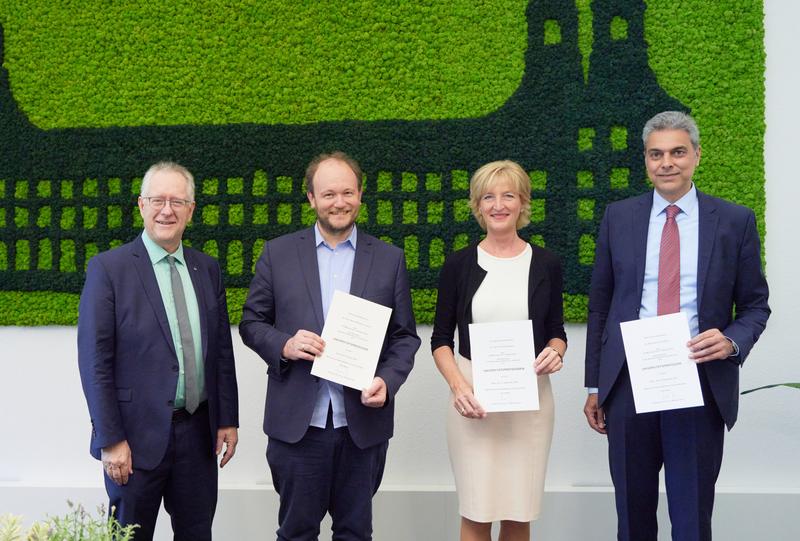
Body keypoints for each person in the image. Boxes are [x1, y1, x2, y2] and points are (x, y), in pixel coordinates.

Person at [583, 111, 771, 541]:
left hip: (698, 382)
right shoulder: (618, 217)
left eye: (677, 152)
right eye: (656, 154)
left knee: (690, 519)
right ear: (646, 161)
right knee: (632, 517)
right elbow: (600, 305)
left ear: (697, 156)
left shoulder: (734, 221)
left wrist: (730, 341)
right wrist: (594, 385)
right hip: (629, 382)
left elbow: (756, 305)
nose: (666, 162)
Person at [239, 151, 420, 541]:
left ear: (360, 195)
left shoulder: (389, 259)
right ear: (311, 199)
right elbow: (251, 323)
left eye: (347, 192)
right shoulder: (278, 254)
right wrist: (284, 344)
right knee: (296, 533)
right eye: (328, 194)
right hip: (298, 428)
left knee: (355, 533)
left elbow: (405, 336)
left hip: (362, 426)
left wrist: (387, 382)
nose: (339, 202)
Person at [77, 162, 239, 541]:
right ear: (141, 205)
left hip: (198, 436)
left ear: (191, 210)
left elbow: (220, 352)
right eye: (158, 200)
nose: (167, 210)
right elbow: (94, 362)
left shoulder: (207, 268)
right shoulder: (109, 269)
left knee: (197, 534)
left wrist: (227, 419)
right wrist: (110, 439)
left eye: (177, 201)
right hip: (132, 442)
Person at [431, 160, 567, 541]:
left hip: (530, 401)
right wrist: (459, 387)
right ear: (477, 205)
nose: (498, 205)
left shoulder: (547, 263)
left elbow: (556, 332)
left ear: (523, 203)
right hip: (473, 400)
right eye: (488, 197)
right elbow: (441, 339)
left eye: (508, 195)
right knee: (476, 511)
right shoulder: (458, 264)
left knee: (518, 512)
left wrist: (556, 352)